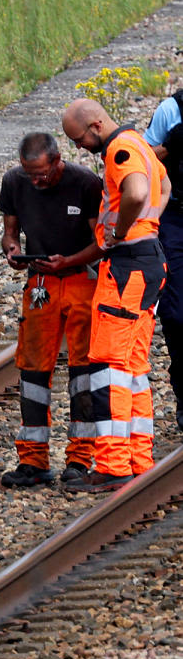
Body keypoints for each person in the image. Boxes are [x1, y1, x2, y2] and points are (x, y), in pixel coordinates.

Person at [61, 98, 170, 491]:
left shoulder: (120, 150)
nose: (77, 147)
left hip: (127, 265)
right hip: (148, 260)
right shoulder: (139, 143)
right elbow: (165, 183)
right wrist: (148, 225)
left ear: (94, 124)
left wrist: (123, 231)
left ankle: (111, 464)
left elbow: (138, 191)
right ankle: (139, 457)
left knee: (108, 366)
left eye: (78, 138)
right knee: (133, 368)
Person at [0, 132, 103, 488]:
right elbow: (9, 232)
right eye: (31, 174)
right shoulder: (15, 182)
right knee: (32, 370)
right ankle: (33, 460)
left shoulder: (86, 183)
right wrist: (12, 249)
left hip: (80, 279)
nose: (37, 181)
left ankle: (80, 457)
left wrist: (68, 261)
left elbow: (102, 243)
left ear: (58, 161)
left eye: (42, 173)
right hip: (40, 282)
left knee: (83, 369)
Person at [142, 89, 183, 427]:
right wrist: (171, 146)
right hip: (176, 218)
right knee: (177, 312)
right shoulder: (171, 110)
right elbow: (142, 160)